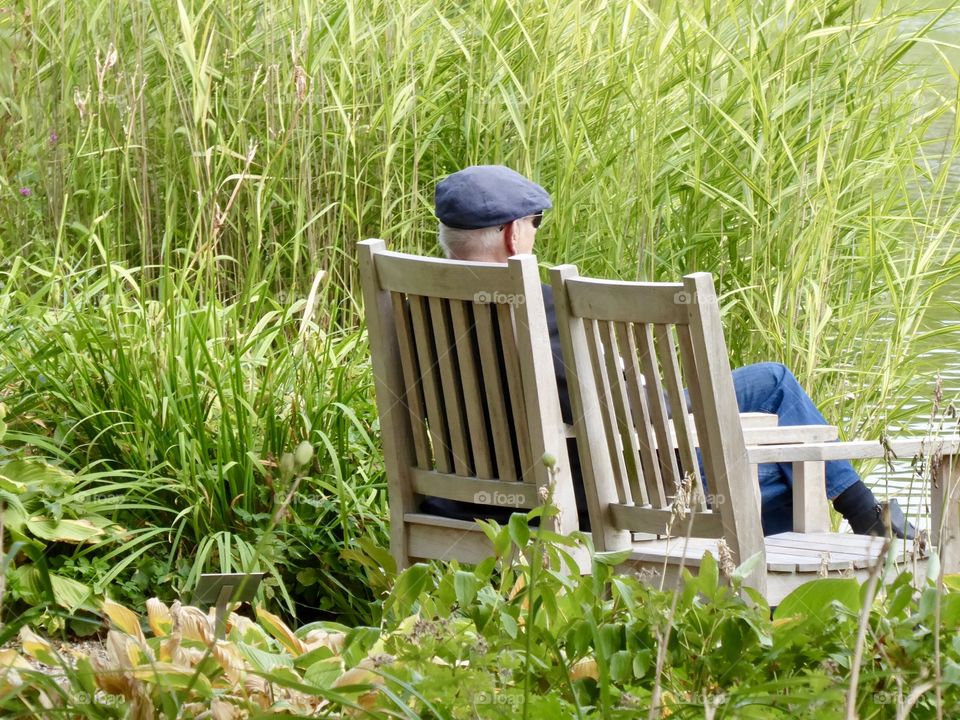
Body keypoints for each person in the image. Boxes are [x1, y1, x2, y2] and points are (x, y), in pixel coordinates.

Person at [427, 164, 913, 538]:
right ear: (514, 234)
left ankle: (859, 521)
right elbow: (623, 412)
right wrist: (647, 388)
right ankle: (857, 528)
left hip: (478, 494)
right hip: (599, 486)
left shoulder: (423, 303)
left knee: (775, 429)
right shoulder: (534, 304)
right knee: (775, 394)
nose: (535, 233)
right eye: (534, 223)